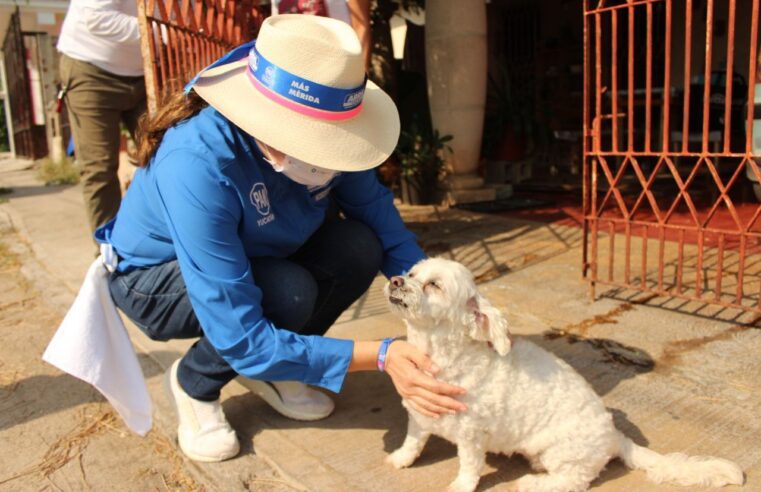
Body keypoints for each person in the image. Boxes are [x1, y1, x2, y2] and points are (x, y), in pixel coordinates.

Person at [96, 14, 466, 462]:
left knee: (359, 246)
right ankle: (194, 383)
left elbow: (381, 222)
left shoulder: (328, 133)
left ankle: (277, 368)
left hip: (258, 254)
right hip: (153, 280)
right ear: (264, 121)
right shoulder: (197, 162)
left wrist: (440, 294)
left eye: (335, 141)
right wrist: (384, 355)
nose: (329, 157)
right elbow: (241, 335)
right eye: (315, 141)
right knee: (287, 292)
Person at [57, 0, 146, 237]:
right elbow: (96, 17)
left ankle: (156, 243)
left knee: (163, 154)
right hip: (91, 68)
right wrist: (160, 31)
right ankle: (108, 256)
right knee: (100, 167)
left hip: (145, 71)